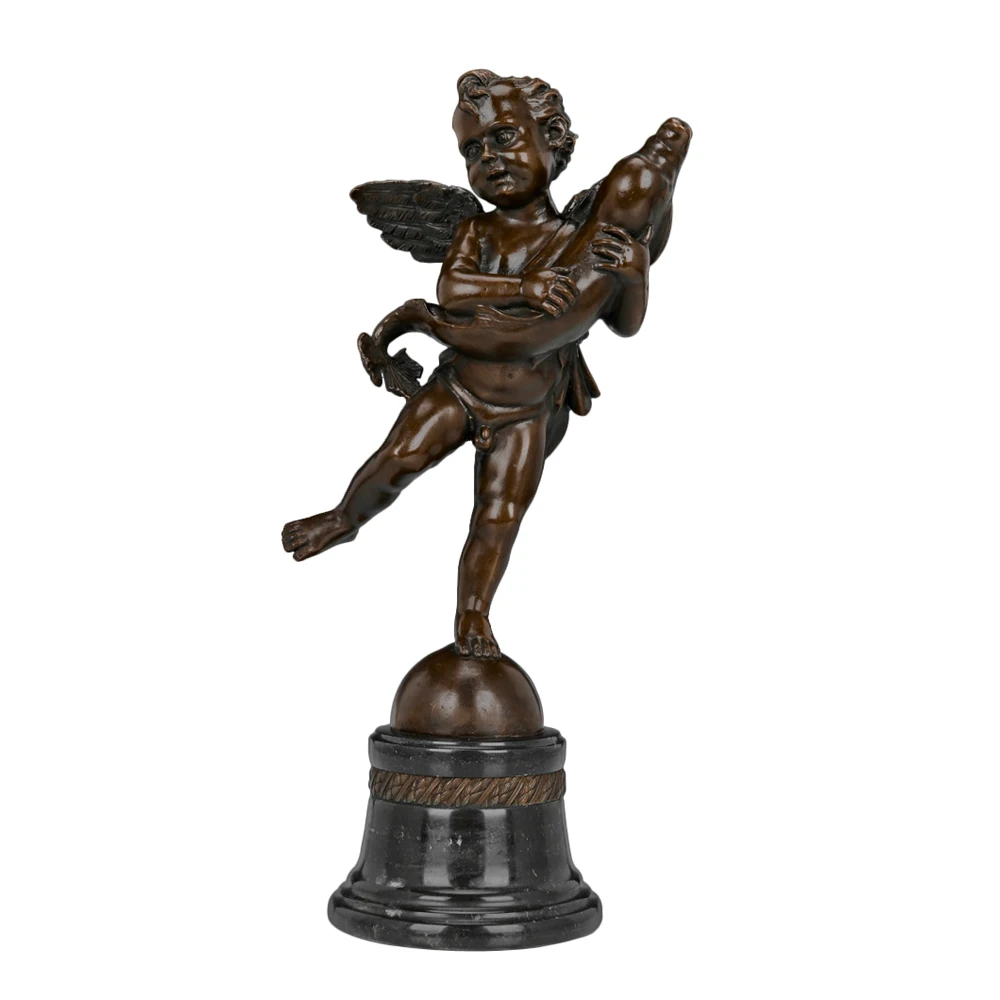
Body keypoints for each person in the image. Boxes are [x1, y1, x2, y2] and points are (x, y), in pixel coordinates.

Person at [282, 70, 691, 659]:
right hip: (460, 384)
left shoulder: (579, 238)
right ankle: (344, 519)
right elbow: (453, 289)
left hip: (529, 405)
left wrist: (634, 272)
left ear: (554, 140)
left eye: (503, 138)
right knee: (398, 457)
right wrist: (525, 285)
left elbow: (625, 325)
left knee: (499, 513)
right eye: (472, 151)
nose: (488, 159)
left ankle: (473, 614)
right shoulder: (476, 229)